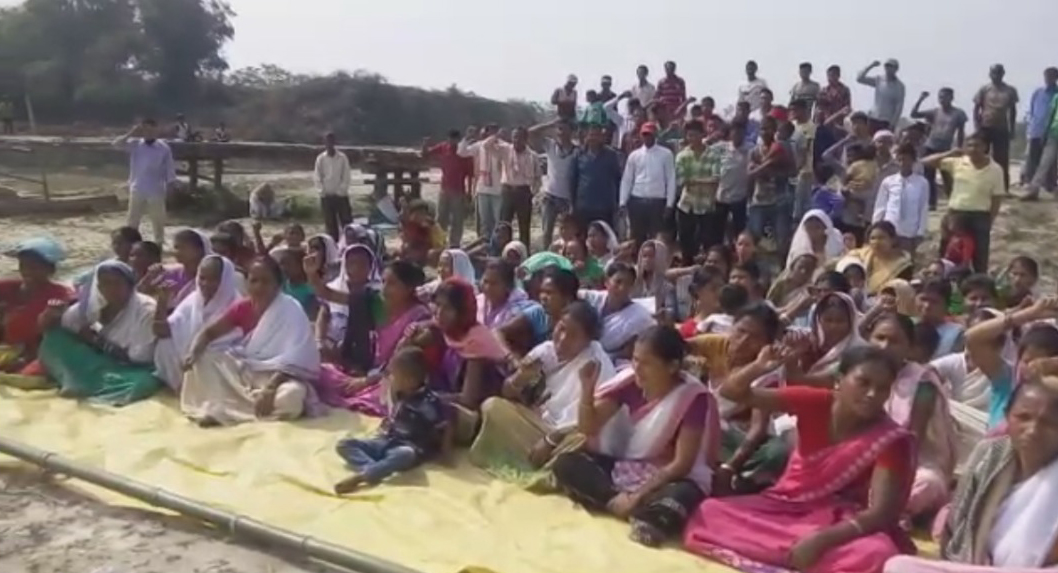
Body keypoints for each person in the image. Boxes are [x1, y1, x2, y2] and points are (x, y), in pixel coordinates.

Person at [684, 345, 916, 573]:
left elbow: (880, 513)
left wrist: (821, 540)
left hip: (838, 522)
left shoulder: (889, 438)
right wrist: (758, 366)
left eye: (882, 388)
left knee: (877, 553)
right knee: (710, 511)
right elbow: (731, 393)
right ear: (839, 379)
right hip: (784, 506)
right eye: (863, 382)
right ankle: (798, 557)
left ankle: (784, 553)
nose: (872, 394)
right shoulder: (815, 401)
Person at [552, 325, 719, 547]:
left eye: (646, 363)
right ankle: (616, 502)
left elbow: (682, 463)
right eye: (635, 360)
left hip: (668, 478)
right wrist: (586, 390)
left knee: (681, 496)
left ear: (672, 366)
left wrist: (638, 495)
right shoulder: (629, 383)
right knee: (567, 463)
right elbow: (588, 427)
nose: (637, 368)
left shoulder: (692, 398)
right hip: (628, 467)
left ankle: (641, 511)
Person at [885, 376, 1058, 572]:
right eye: (1023, 417)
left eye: (1049, 423)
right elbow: (957, 525)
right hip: (982, 567)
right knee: (898, 566)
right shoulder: (990, 454)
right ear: (1007, 416)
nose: (1033, 430)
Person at [469, 301, 616, 484]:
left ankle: (542, 462)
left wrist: (551, 440)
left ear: (588, 341)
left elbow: (588, 426)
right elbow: (507, 392)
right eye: (561, 328)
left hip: (565, 436)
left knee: (578, 443)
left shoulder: (596, 365)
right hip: (539, 424)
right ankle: (535, 459)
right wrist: (520, 378)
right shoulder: (546, 351)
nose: (562, 338)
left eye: (573, 335)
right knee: (492, 406)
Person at [180, 257, 322, 426]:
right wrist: (193, 353)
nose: (259, 287)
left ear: (278, 284)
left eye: (265, 281)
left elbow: (297, 359)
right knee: (203, 359)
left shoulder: (291, 309)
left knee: (292, 397)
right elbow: (208, 333)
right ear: (247, 283)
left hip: (279, 376)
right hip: (248, 370)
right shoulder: (243, 307)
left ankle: (227, 411)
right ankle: (232, 409)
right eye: (254, 281)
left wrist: (270, 388)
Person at [867, 313, 955, 518]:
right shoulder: (859, 372)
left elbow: (913, 441)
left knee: (928, 483)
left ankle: (886, 509)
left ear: (909, 347)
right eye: (880, 338)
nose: (884, 346)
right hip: (862, 454)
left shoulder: (922, 382)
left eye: (894, 341)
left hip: (910, 462)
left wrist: (890, 475)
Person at [36, 261, 161, 405]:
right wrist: (50, 315)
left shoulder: (146, 310)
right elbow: (67, 324)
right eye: (106, 283)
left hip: (129, 368)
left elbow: (141, 357)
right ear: (99, 286)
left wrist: (96, 340)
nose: (111, 289)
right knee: (55, 339)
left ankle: (91, 387)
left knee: (143, 383)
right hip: (96, 360)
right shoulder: (93, 304)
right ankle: (76, 382)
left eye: (117, 283)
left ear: (129, 285)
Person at [334, 347, 453, 494]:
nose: (391, 379)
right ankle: (376, 469)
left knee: (405, 455)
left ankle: (362, 477)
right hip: (386, 441)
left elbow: (447, 425)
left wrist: (445, 454)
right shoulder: (400, 393)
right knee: (344, 445)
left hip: (406, 446)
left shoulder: (429, 403)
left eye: (395, 376)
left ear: (410, 381)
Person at [153, 255, 240, 391]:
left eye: (213, 279)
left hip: (218, 360)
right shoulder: (193, 300)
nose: (206, 284)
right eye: (202, 278)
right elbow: (161, 331)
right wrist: (162, 302)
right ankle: (180, 387)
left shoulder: (237, 305)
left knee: (209, 357)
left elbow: (234, 345)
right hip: (188, 359)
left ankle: (201, 392)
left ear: (225, 280)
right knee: (164, 344)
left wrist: (197, 351)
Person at [923, 132, 1004, 274]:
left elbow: (996, 198)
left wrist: (990, 220)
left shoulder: (996, 169)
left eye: (977, 145)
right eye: (969, 145)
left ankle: (978, 282)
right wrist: (950, 153)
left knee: (980, 257)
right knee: (949, 254)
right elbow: (926, 162)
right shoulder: (958, 162)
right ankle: (945, 281)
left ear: (985, 147)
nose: (973, 149)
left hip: (981, 216)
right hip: (956, 214)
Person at [0, 238, 75, 379]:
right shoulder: (8, 287)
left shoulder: (61, 295)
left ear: (50, 270)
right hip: (7, 347)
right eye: (24, 265)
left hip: (38, 354)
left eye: (35, 267)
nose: (27, 271)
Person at [112, 118, 176, 245]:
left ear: (156, 130)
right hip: (137, 187)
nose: (148, 133)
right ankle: (131, 244)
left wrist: (170, 185)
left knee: (158, 221)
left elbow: (169, 168)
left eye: (151, 130)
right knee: (133, 220)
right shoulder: (135, 144)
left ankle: (158, 244)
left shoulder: (163, 148)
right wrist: (131, 133)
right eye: (145, 130)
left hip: (156, 189)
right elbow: (116, 144)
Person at [580, 263, 655, 360]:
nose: (622, 288)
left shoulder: (640, 317)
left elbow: (632, 351)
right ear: (606, 282)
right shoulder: (591, 299)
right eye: (618, 282)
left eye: (628, 284)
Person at [619, 122, 676, 247]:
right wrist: (622, 202)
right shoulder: (634, 155)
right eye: (644, 134)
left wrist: (669, 204)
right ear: (641, 136)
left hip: (657, 201)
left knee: (657, 239)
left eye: (650, 134)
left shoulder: (666, 154)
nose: (647, 137)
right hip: (637, 200)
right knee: (636, 238)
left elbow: (671, 179)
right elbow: (627, 179)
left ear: (655, 135)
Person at [911, 88, 968, 209]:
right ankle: (931, 203)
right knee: (929, 177)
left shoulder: (958, 114)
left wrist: (959, 148)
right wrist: (921, 99)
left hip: (946, 149)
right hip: (930, 146)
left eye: (945, 97)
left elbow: (961, 132)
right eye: (940, 97)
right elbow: (914, 114)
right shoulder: (935, 112)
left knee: (947, 177)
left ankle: (954, 202)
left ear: (951, 98)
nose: (942, 100)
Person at [674, 120, 722, 263]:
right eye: (689, 135)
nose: (692, 138)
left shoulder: (713, 154)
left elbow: (716, 179)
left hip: (706, 205)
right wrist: (704, 180)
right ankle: (687, 266)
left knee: (708, 241)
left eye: (695, 135)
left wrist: (694, 181)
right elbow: (682, 181)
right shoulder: (682, 156)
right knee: (686, 241)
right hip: (687, 205)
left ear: (702, 135)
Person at [872, 144, 930, 254]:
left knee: (905, 260)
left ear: (913, 161)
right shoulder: (888, 181)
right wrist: (875, 226)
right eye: (900, 160)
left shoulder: (922, 183)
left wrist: (920, 232)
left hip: (909, 231)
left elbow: (923, 208)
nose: (903, 163)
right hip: (889, 230)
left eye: (907, 160)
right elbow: (880, 206)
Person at [529, 119, 577, 248]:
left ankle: (565, 253)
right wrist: (550, 124)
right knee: (546, 232)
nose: (561, 132)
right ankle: (546, 255)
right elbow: (531, 133)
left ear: (571, 132)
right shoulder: (550, 145)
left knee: (568, 232)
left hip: (567, 198)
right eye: (559, 129)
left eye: (564, 129)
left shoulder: (576, 151)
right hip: (550, 196)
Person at [421, 130, 473, 248]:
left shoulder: (464, 152)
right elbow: (426, 155)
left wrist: (469, 192)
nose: (452, 143)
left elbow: (470, 175)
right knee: (441, 218)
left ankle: (455, 243)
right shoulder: (443, 147)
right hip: (444, 189)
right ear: (448, 139)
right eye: (450, 140)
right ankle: (440, 241)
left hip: (458, 191)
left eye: (455, 140)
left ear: (458, 140)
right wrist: (425, 144)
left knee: (457, 219)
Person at [973, 64, 1019, 191]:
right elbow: (976, 108)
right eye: (993, 73)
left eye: (998, 73)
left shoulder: (1010, 90)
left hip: (1001, 128)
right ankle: (979, 185)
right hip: (985, 127)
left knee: (1002, 159)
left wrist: (1012, 129)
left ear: (1003, 74)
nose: (996, 75)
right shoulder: (984, 89)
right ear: (990, 74)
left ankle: (1003, 188)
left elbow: (1013, 111)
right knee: (981, 156)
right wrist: (977, 126)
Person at [570, 124, 623, 230]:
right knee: (583, 236)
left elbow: (617, 180)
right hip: (583, 206)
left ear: (602, 138)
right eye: (591, 135)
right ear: (586, 137)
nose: (593, 138)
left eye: (597, 135)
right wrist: (572, 204)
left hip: (605, 207)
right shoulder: (578, 154)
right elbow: (572, 181)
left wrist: (617, 203)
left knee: (605, 235)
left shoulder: (611, 155)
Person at [746, 116, 790, 242]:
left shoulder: (783, 148)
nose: (765, 132)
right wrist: (749, 200)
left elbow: (792, 171)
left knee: (781, 239)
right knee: (755, 239)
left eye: (768, 129)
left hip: (779, 201)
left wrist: (772, 172)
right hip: (758, 201)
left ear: (775, 130)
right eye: (762, 129)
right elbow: (750, 176)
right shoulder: (754, 152)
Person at [458, 125, 504, 242]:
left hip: (498, 191)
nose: (492, 135)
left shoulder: (503, 146)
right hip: (482, 189)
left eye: (494, 132)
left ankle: (497, 244)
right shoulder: (479, 146)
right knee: (485, 222)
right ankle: (486, 245)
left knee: (498, 222)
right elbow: (462, 152)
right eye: (490, 132)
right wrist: (466, 138)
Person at [846, 222, 913, 296]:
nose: (876, 242)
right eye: (873, 238)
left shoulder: (903, 267)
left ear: (893, 240)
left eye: (881, 238)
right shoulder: (862, 255)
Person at [713, 122, 752, 245]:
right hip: (721, 196)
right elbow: (704, 146)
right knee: (717, 230)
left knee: (739, 230)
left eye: (740, 133)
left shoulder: (750, 149)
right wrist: (712, 136)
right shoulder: (721, 147)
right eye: (734, 133)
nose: (737, 136)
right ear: (730, 134)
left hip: (740, 196)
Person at [1021, 67, 1058, 195]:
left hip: (1051, 131)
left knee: (1049, 160)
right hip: (1036, 129)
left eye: (1052, 76)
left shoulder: (1056, 94)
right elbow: (1032, 109)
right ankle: (1029, 182)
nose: (1048, 79)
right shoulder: (1038, 92)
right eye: (1047, 76)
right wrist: (1030, 126)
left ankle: (1049, 184)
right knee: (1032, 158)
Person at [314, 132, 352, 242]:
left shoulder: (342, 158)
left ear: (335, 142)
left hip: (341, 196)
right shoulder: (320, 158)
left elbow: (346, 176)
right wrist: (322, 191)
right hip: (326, 196)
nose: (329, 144)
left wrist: (340, 191)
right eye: (327, 141)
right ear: (324, 143)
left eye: (331, 141)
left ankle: (348, 243)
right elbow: (317, 176)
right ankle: (333, 244)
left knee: (346, 222)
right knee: (330, 224)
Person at [857, 59, 906, 131]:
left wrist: (893, 124)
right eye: (886, 66)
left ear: (896, 69)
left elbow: (899, 107)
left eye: (891, 66)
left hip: (886, 121)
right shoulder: (879, 79)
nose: (888, 68)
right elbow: (860, 79)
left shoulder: (899, 86)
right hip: (873, 117)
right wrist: (871, 66)